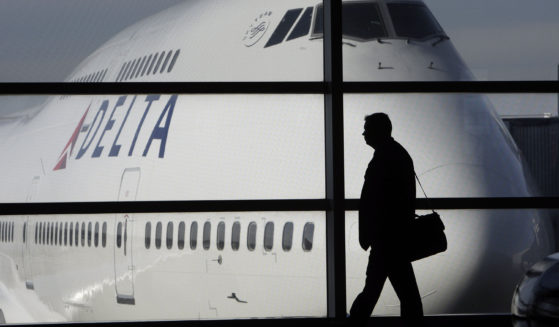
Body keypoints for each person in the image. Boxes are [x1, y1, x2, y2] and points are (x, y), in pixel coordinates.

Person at [348, 113, 424, 326]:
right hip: (394, 239)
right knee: (406, 295)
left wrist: (372, 234)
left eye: (367, 129)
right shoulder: (397, 154)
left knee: (372, 292)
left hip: (386, 240)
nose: (364, 133)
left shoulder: (384, 158)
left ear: (378, 131)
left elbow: (374, 201)